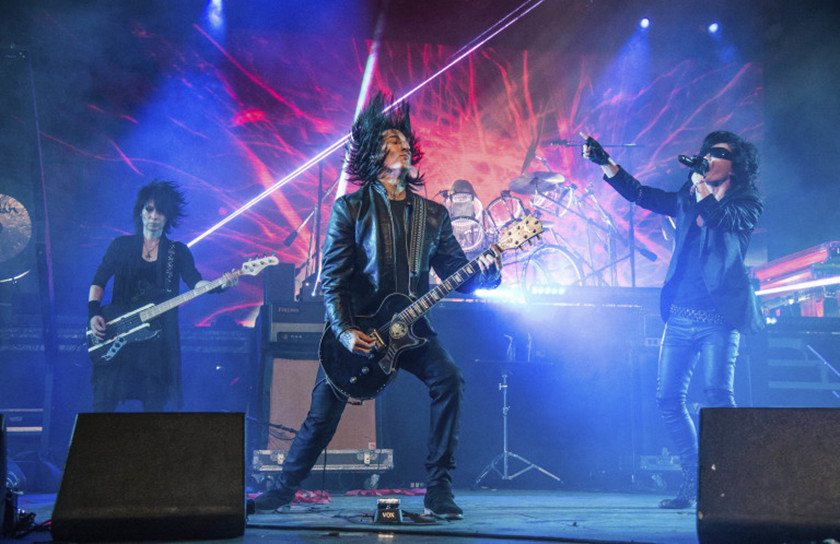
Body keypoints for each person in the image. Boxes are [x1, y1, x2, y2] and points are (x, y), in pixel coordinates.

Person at [254, 94, 503, 520]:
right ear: (373, 153)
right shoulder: (350, 209)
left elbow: (459, 276)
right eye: (392, 141)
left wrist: (489, 273)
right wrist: (345, 331)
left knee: (449, 379)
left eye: (405, 141)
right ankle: (281, 490)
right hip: (361, 331)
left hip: (413, 330)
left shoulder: (433, 215)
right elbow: (333, 280)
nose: (402, 145)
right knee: (321, 417)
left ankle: (439, 489)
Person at [581, 130, 763, 509]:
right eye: (706, 151)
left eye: (718, 153)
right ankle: (694, 480)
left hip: (719, 319)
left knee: (717, 396)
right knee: (667, 399)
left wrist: (699, 185)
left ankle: (731, 482)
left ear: (735, 165)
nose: (708, 157)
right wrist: (606, 163)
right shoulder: (688, 196)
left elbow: (718, 217)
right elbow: (642, 195)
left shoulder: (746, 203)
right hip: (679, 315)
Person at [87, 180, 237, 412]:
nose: (154, 216)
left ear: (168, 217)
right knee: (103, 405)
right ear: (141, 211)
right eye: (149, 209)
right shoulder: (120, 246)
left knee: (154, 408)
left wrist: (220, 285)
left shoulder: (177, 251)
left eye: (161, 211)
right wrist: (93, 314)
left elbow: (195, 282)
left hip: (155, 344)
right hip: (118, 333)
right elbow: (99, 281)